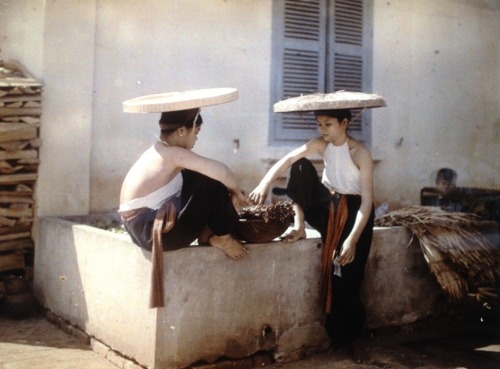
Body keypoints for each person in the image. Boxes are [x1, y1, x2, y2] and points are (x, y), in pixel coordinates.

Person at [249, 108, 374, 363]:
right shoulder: (320, 144)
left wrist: (351, 240)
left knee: (348, 275)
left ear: (344, 123)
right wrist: (264, 183)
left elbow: (368, 202)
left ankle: (354, 337)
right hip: (329, 207)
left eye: (328, 124)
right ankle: (300, 225)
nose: (322, 129)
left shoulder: (360, 153)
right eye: (319, 124)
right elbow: (287, 160)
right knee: (300, 167)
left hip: (354, 215)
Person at [119, 107, 249, 307]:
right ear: (181, 131)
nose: (196, 139)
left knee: (197, 176)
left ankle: (211, 232)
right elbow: (221, 171)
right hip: (155, 234)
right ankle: (222, 237)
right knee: (212, 182)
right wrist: (237, 192)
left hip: (138, 229)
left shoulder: (158, 150)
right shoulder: (173, 154)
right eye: (195, 133)